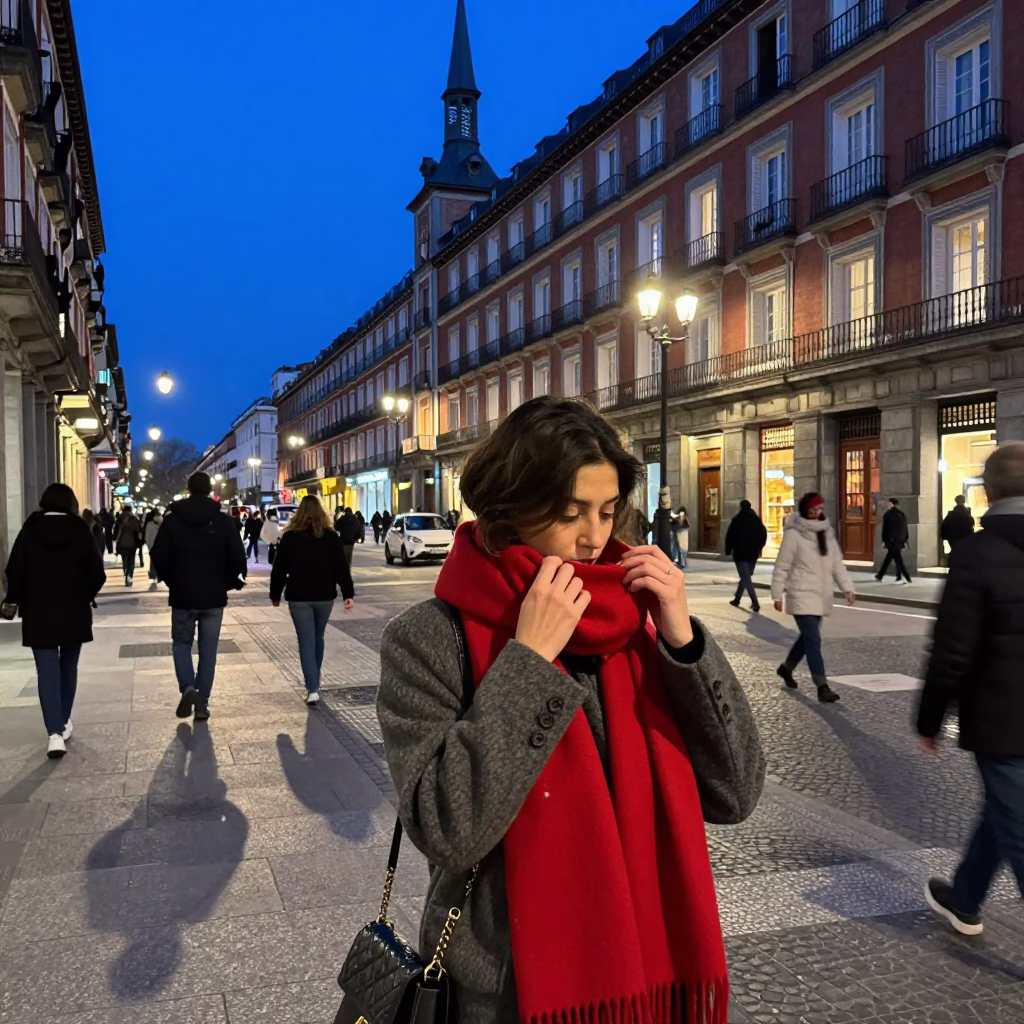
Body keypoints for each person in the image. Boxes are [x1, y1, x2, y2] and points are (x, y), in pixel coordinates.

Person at [376, 396, 764, 1024]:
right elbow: (449, 829)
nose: (594, 537)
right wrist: (528, 660)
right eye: (569, 512)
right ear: (510, 508)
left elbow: (735, 792)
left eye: (608, 512)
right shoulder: (431, 637)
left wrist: (683, 642)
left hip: (648, 972)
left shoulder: (631, 620)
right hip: (511, 991)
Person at [917, 442, 1024, 937]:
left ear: (989, 492)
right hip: (1004, 718)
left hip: (1002, 718)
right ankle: (965, 897)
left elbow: (952, 649)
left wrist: (930, 719)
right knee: (1004, 810)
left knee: (1018, 825)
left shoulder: (976, 554)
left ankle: (964, 897)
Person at [2, 483, 106, 758]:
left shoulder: (29, 531)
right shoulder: (81, 531)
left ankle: (54, 734)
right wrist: (85, 593)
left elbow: (14, 571)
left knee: (46, 672)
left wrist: (16, 597)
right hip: (74, 610)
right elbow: (97, 574)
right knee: (68, 667)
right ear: (71, 503)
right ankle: (62, 721)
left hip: (39, 612)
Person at [150, 472, 248, 722]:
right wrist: (224, 582)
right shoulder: (223, 521)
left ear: (189, 488)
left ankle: (188, 688)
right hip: (213, 596)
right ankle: (202, 704)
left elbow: (159, 556)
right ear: (209, 489)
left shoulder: (172, 521)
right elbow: (238, 558)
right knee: (208, 650)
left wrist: (173, 581)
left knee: (181, 644)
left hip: (183, 595)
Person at [270, 496, 355, 706]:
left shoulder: (290, 537)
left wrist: (275, 593)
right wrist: (348, 594)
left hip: (299, 596)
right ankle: (314, 681)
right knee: (318, 638)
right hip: (324, 595)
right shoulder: (331, 536)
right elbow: (341, 567)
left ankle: (313, 688)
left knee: (306, 641)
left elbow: (279, 568)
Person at [770, 492, 855, 703]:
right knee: (814, 640)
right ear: (805, 512)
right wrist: (777, 594)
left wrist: (847, 588)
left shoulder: (827, 533)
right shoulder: (794, 535)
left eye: (819, 509)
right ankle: (822, 686)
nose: (816, 513)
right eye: (812, 510)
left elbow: (837, 564)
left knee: (807, 639)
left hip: (820, 595)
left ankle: (786, 668)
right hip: (800, 594)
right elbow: (782, 566)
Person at [725, 500, 768, 613]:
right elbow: (763, 533)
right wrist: (760, 547)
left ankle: (755, 602)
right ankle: (737, 599)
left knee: (745, 578)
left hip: (740, 554)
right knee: (746, 577)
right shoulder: (756, 520)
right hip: (753, 553)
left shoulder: (737, 520)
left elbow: (730, 536)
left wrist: (729, 550)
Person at [877, 497, 912, 584]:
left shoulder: (888, 515)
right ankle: (899, 577)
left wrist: (884, 540)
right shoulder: (902, 515)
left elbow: (885, 529)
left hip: (891, 541)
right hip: (899, 540)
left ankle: (905, 577)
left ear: (892, 504)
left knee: (896, 559)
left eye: (889, 504)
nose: (888, 505)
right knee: (894, 558)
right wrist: (906, 540)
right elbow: (905, 528)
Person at [114, 509, 144, 587]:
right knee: (131, 561)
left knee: (125, 561)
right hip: (132, 543)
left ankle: (126, 574)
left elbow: (115, 531)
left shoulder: (119, 519)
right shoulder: (134, 519)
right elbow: (139, 530)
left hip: (122, 543)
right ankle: (129, 576)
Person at [144, 510, 164, 590]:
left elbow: (146, 537)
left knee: (153, 564)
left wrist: (149, 546)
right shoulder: (164, 523)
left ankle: (153, 580)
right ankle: (160, 576)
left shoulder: (149, 524)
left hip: (152, 547)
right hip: (162, 547)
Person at [671, 505, 690, 569]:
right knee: (678, 548)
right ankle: (680, 562)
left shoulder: (684, 519)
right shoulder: (679, 519)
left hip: (681, 535)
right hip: (679, 534)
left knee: (681, 549)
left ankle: (681, 562)